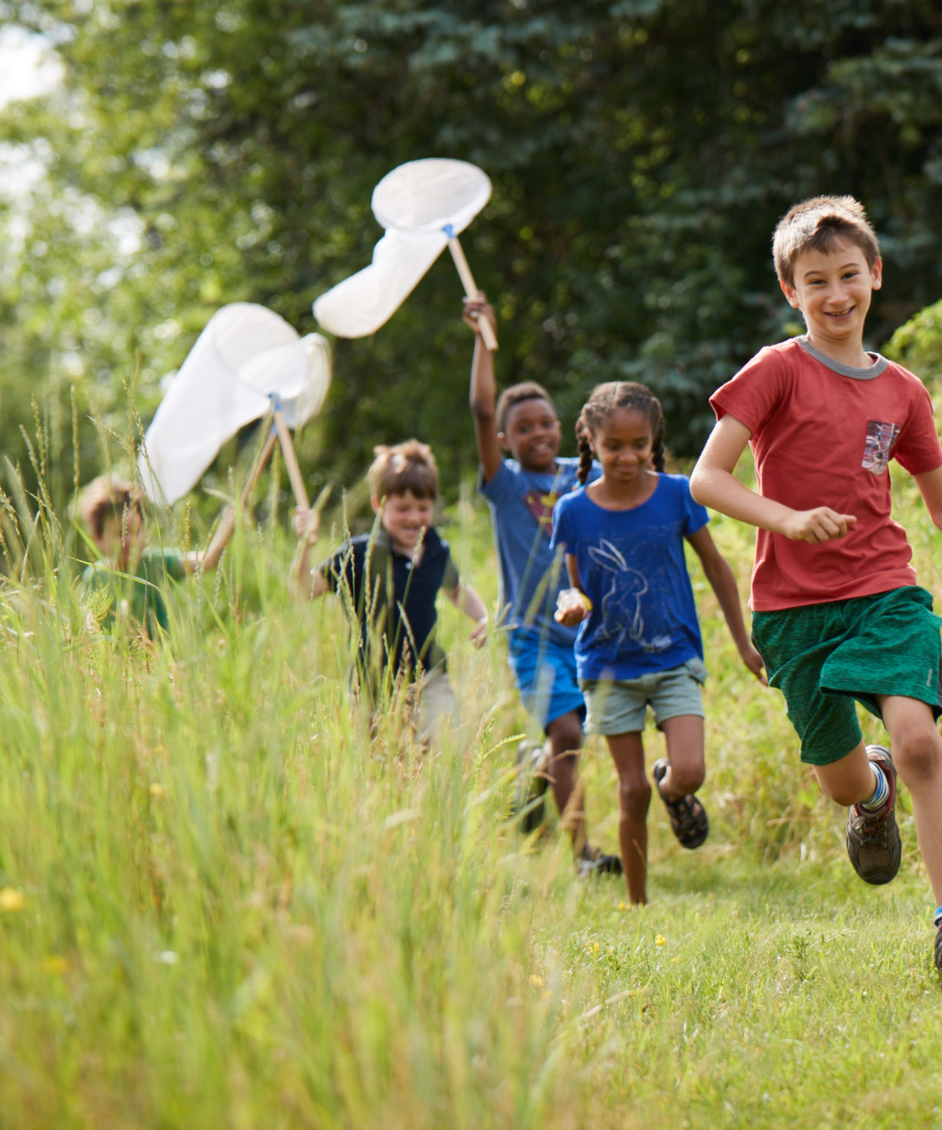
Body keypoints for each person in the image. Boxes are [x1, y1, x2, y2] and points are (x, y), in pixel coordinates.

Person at [689, 195, 942, 979]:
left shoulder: (902, 391)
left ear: (876, 276)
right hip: (793, 612)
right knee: (839, 781)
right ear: (791, 291)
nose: (836, 294)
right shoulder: (776, 370)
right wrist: (788, 520)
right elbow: (706, 479)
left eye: (849, 275)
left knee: (922, 741)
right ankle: (871, 795)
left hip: (885, 593)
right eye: (815, 280)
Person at [552, 382, 763, 907]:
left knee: (689, 771)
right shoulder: (573, 510)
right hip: (607, 666)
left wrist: (744, 643)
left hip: (673, 657)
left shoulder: (675, 494)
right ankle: (637, 904)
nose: (627, 457)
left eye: (639, 445)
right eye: (614, 446)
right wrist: (573, 603)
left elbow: (716, 567)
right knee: (630, 790)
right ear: (591, 443)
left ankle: (671, 788)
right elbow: (573, 584)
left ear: (654, 442)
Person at [464, 294, 616, 877]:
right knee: (570, 734)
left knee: (573, 738)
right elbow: (481, 409)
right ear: (503, 439)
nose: (537, 433)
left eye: (546, 423)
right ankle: (582, 856)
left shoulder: (586, 476)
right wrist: (484, 336)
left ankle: (537, 766)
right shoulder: (503, 485)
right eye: (521, 428)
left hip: (587, 634)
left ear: (565, 427)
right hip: (531, 638)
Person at [290, 441, 489, 744]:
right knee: (380, 765)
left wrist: (484, 617)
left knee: (447, 747)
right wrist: (305, 544)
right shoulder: (359, 554)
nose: (414, 518)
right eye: (403, 509)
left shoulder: (435, 548)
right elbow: (304, 589)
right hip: (370, 684)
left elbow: (457, 590)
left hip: (429, 677)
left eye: (423, 508)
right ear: (377, 505)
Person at [76, 474, 242, 640]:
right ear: (98, 538)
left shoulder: (155, 563)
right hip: (120, 663)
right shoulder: (95, 577)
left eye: (136, 532)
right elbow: (90, 630)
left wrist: (228, 525)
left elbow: (207, 561)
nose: (130, 541)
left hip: (161, 661)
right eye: (120, 533)